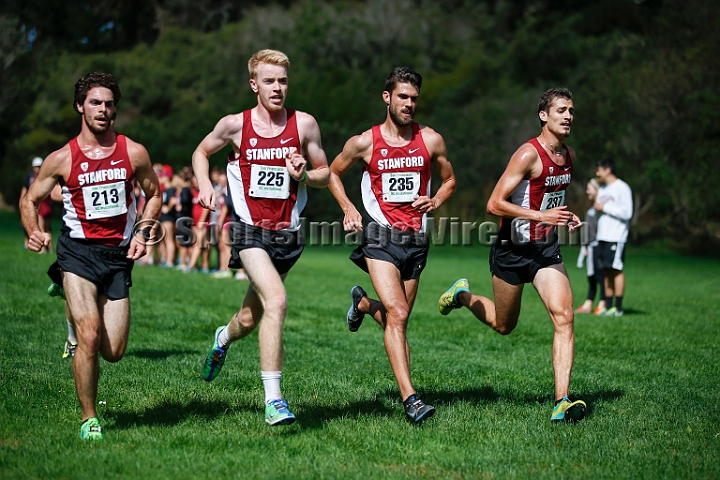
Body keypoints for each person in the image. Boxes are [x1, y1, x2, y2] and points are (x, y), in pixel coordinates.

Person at [19, 72, 161, 439]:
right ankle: (89, 418)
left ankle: (64, 290)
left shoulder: (134, 152)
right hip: (78, 252)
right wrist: (34, 230)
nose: (103, 109)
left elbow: (154, 194)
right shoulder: (62, 158)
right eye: (95, 102)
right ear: (80, 106)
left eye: (109, 103)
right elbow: (31, 199)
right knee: (90, 333)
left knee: (113, 350)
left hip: (116, 257)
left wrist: (143, 232)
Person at [193, 49, 329, 426]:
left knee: (250, 319)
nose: (277, 88)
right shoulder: (235, 125)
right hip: (249, 230)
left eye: (283, 80)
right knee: (278, 301)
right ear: (254, 84)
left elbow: (326, 173)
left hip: (287, 234)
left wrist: (303, 174)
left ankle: (223, 338)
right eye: (269, 81)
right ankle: (274, 401)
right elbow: (201, 152)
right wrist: (205, 184)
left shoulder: (304, 125)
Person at [437, 87, 587, 423]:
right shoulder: (527, 155)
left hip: (545, 250)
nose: (568, 116)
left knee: (564, 315)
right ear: (543, 116)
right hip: (512, 251)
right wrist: (542, 217)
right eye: (561, 110)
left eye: (571, 111)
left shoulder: (568, 155)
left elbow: (548, 200)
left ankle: (561, 401)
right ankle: (461, 296)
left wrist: (565, 214)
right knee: (504, 326)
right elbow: (493, 204)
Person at [328, 67, 456, 423]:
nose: (409, 104)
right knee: (398, 315)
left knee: (397, 321)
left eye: (414, 98)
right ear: (387, 97)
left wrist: (436, 200)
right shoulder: (363, 143)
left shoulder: (431, 140)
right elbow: (334, 173)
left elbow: (449, 179)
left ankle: (365, 304)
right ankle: (411, 399)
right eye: (403, 96)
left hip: (416, 239)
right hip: (380, 236)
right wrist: (348, 207)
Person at [594, 158, 633, 317]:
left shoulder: (622, 188)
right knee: (605, 271)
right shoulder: (602, 189)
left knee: (616, 269)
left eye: (599, 170)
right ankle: (607, 306)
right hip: (602, 236)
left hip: (616, 237)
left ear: (607, 170)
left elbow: (627, 213)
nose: (597, 174)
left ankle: (618, 308)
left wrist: (606, 207)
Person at [575, 179, 606, 314]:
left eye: (589, 188)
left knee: (601, 275)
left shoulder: (602, 209)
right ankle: (588, 303)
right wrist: (585, 246)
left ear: (597, 189)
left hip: (600, 246)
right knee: (591, 276)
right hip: (591, 247)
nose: (587, 191)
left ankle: (603, 303)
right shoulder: (591, 210)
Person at [20, 157, 55, 253]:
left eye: (39, 166)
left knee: (43, 228)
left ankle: (43, 249)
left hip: (43, 206)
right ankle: (50, 250)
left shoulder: (38, 178)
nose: (38, 168)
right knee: (46, 228)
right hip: (46, 205)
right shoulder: (46, 176)